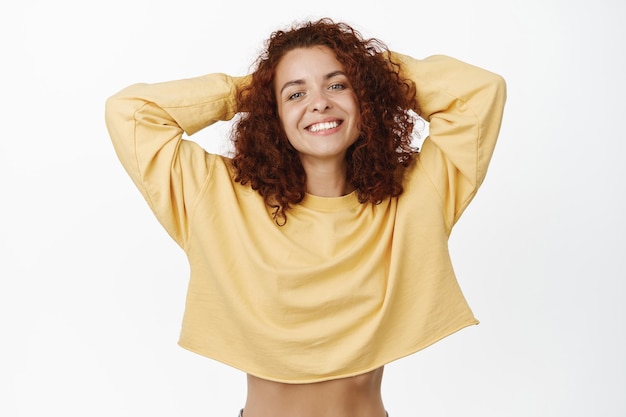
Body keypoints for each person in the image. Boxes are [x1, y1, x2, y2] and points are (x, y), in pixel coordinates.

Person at [105, 18, 506, 417]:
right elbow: (131, 113)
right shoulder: (216, 195)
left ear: (364, 96)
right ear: (271, 113)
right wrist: (246, 90)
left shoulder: (416, 195)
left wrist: (372, 70)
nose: (319, 102)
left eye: (337, 85)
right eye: (295, 94)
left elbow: (480, 93)